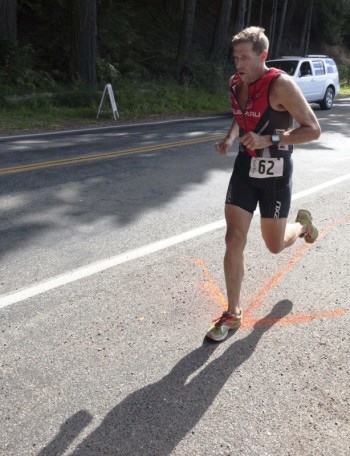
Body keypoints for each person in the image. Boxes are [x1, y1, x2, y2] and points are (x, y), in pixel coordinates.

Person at [206, 26, 321, 342]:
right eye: (235, 56)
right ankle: (232, 312)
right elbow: (240, 113)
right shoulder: (237, 83)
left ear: (263, 56)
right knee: (233, 238)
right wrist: (230, 137)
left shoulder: (281, 86)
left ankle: (302, 226)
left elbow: (313, 130)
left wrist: (268, 137)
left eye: (245, 57)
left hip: (276, 171)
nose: (238, 63)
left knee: (274, 245)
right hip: (245, 166)